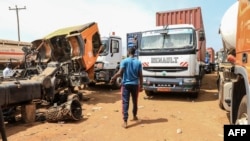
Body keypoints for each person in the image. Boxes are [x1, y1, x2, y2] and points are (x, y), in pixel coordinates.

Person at [110, 47, 143, 128]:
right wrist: (141, 85)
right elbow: (140, 75)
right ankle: (134, 116)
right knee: (135, 102)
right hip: (135, 85)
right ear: (134, 53)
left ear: (128, 52)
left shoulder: (124, 61)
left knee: (125, 102)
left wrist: (113, 78)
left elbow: (120, 72)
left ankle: (125, 121)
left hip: (126, 85)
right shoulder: (138, 62)